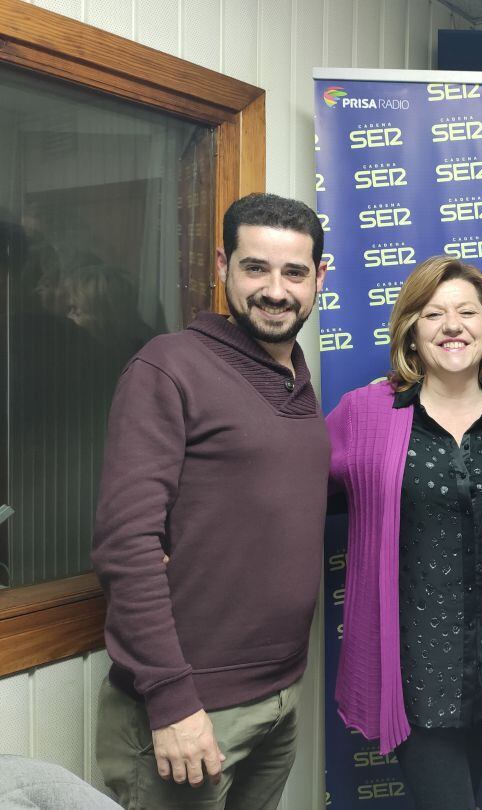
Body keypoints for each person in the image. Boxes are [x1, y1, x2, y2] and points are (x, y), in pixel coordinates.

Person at [91, 193, 330, 809]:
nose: (275, 290)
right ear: (223, 265)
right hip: (189, 709)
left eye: (294, 272)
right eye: (255, 268)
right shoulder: (169, 366)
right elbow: (126, 544)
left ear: (319, 278)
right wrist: (171, 699)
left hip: (278, 697)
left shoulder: (294, 377)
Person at [326, 256, 482, 810]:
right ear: (411, 329)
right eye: (433, 314)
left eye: (467, 312)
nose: (452, 326)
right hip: (410, 672)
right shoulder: (364, 413)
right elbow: (290, 486)